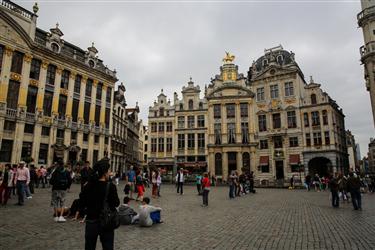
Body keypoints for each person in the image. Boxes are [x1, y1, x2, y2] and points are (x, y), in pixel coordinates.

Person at [80, 158, 120, 250]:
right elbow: (116, 203)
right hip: (106, 221)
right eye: (108, 171)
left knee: (89, 247)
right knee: (108, 246)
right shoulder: (110, 186)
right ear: (105, 172)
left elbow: (82, 202)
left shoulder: (88, 185)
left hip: (91, 221)